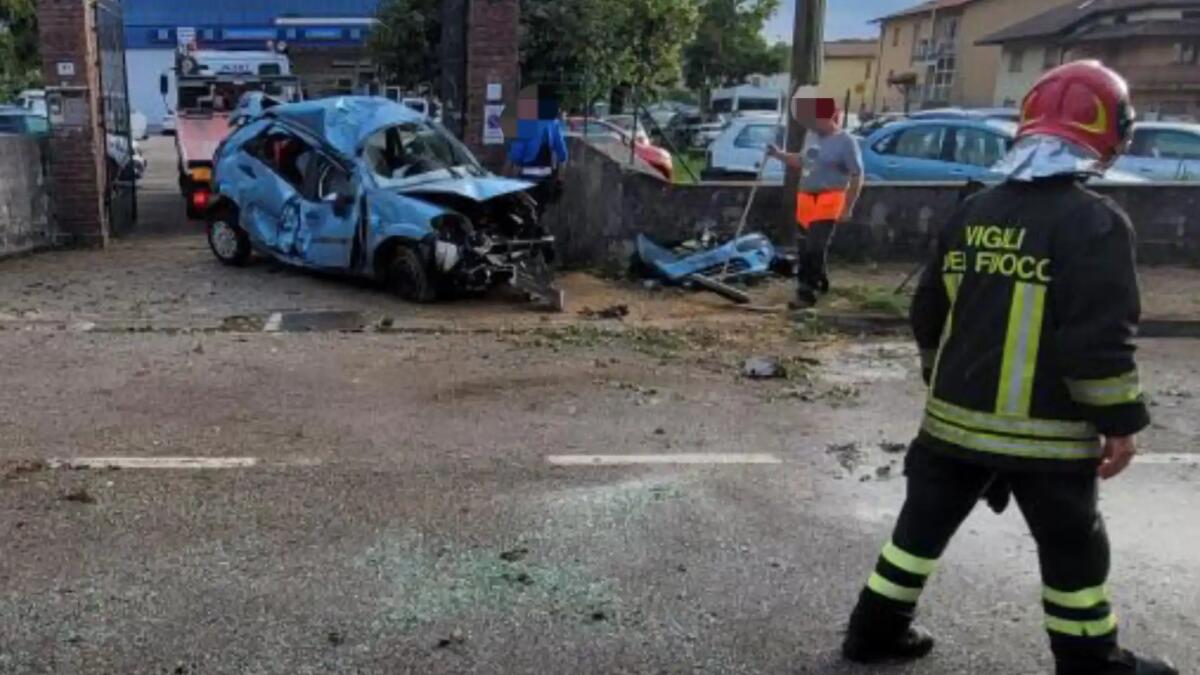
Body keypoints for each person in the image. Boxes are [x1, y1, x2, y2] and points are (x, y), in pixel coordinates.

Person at [840, 61, 1176, 675]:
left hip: (951, 429)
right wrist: (1120, 423)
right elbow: (1098, 343)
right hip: (1046, 441)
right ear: (1109, 134)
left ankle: (871, 633)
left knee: (916, 536)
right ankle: (1089, 661)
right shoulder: (1096, 224)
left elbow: (927, 312)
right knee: (1075, 552)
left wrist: (939, 377)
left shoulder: (972, 212)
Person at [767, 98, 864, 308]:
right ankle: (820, 280)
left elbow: (857, 174)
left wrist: (849, 206)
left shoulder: (846, 141)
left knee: (815, 246)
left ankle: (806, 292)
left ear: (828, 117)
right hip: (806, 199)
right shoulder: (812, 137)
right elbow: (802, 161)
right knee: (805, 247)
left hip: (830, 198)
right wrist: (778, 155)